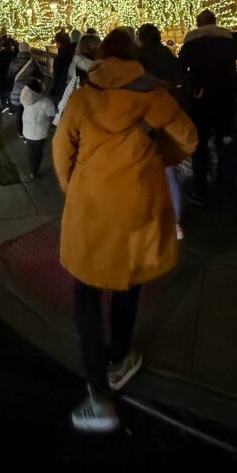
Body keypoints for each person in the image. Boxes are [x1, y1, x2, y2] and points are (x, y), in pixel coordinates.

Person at [53, 29, 197, 432]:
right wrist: (156, 160)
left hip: (92, 205)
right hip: (136, 202)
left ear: (101, 58)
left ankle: (97, 388)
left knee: (85, 289)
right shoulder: (153, 95)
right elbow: (188, 139)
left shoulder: (83, 97)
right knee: (127, 280)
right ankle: (119, 355)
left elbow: (62, 150)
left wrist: (74, 185)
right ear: (134, 58)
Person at [178, 9, 237, 204]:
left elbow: (180, 69)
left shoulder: (192, 43)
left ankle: (200, 190)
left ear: (198, 24)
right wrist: (233, 35)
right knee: (227, 143)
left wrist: (193, 87)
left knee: (200, 147)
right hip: (226, 99)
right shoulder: (228, 40)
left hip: (202, 101)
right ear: (216, 22)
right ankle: (227, 187)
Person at [137, 24, 185, 238]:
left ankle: (149, 217)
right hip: (166, 113)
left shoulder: (137, 57)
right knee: (168, 169)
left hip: (144, 118)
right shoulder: (166, 54)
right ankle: (175, 222)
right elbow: (180, 76)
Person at [53, 32, 101, 125]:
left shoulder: (73, 66)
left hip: (76, 114)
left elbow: (60, 87)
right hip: (93, 117)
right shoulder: (101, 69)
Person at [21, 77, 56, 178]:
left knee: (31, 151)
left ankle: (32, 168)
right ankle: (33, 171)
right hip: (39, 134)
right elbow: (52, 115)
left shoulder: (25, 97)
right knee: (37, 153)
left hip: (27, 131)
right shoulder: (45, 102)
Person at [9, 43, 43, 137]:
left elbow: (10, 75)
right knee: (30, 112)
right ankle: (30, 131)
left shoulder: (13, 62)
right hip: (30, 92)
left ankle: (20, 131)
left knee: (19, 112)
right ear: (29, 50)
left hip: (17, 92)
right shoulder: (33, 63)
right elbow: (40, 76)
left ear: (19, 50)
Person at [51, 31, 74, 104]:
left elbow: (56, 76)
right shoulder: (74, 54)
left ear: (59, 43)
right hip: (72, 88)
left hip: (61, 89)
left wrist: (54, 89)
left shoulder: (59, 58)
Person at [0, 38, 17, 111]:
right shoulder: (13, 55)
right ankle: (11, 107)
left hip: (1, 77)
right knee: (9, 92)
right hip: (10, 77)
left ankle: (4, 105)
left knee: (2, 93)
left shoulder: (0, 55)